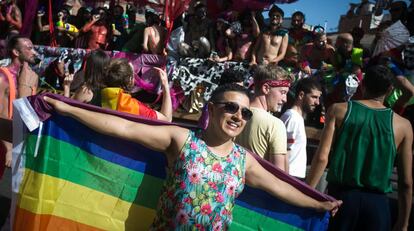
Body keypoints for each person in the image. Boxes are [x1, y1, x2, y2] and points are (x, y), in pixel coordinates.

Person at [44, 83, 341, 229]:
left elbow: (282, 188)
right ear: (211, 110)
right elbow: (123, 128)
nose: (238, 116)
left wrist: (319, 202)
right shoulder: (181, 139)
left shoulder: (243, 160)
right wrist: (67, 108)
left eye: (245, 112)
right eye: (231, 108)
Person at [306, 65, 413, 231]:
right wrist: (403, 223)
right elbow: (406, 182)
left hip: (340, 200)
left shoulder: (339, 110)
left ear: (362, 86)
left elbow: (321, 158)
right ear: (390, 90)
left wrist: (307, 196)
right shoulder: (403, 125)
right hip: (377, 206)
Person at [236, 65, 291, 171]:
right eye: (283, 92)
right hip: (259, 186)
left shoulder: (235, 115)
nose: (285, 99)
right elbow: (279, 174)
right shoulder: (275, 124)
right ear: (266, 88)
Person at [0, 35, 38, 168]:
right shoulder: (3, 76)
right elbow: (1, 114)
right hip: (4, 144)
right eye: (29, 48)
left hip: (22, 144)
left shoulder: (32, 77)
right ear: (16, 52)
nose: (34, 52)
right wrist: (9, 149)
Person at [100, 58, 172, 122]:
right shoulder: (132, 106)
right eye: (134, 75)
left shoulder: (99, 94)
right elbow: (167, 119)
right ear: (130, 81)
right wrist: (165, 85)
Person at [280, 78, 322, 180]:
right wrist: (285, 180)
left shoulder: (296, 118)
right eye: (314, 97)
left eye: (318, 98)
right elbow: (284, 152)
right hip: (290, 176)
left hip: (293, 176)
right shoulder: (292, 118)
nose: (317, 102)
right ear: (301, 95)